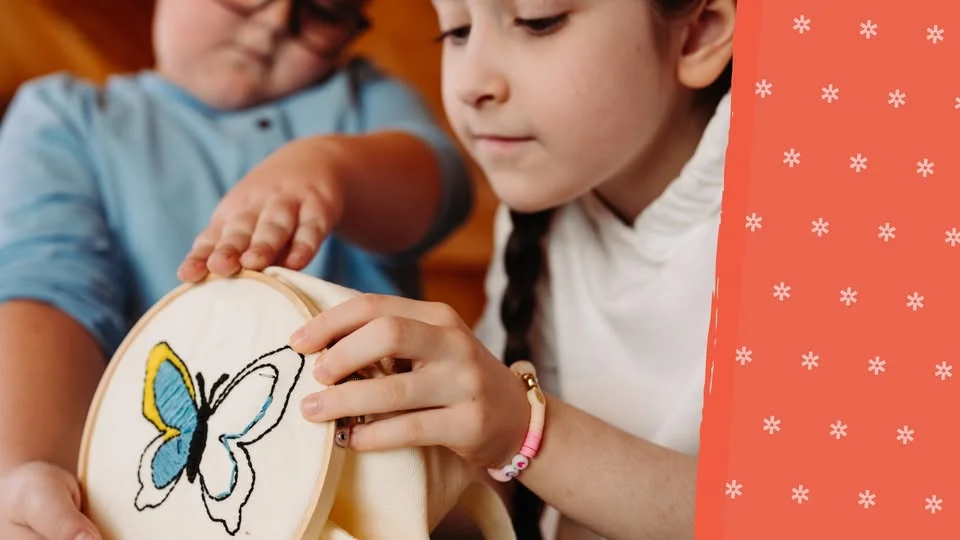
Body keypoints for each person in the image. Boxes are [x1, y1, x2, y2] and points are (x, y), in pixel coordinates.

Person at [186, 0, 734, 539]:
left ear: (698, 34)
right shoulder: (552, 200)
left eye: (538, 22)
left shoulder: (800, 211)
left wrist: (524, 433)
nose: (473, 83)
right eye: (456, 30)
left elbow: (800, 514)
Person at [0, 1, 472, 538]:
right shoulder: (65, 119)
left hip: (378, 495)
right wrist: (26, 465)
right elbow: (48, 293)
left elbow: (441, 189)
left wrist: (333, 168)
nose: (274, 24)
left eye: (323, 9)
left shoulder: (364, 100)